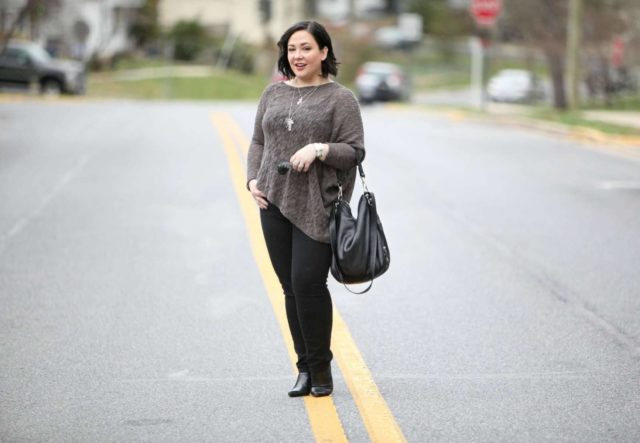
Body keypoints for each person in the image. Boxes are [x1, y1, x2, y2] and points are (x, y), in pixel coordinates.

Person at [246, 21, 365, 397]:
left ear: (324, 53)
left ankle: (321, 369)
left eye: (306, 48)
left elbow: (354, 151)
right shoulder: (272, 94)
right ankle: (303, 369)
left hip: (319, 204)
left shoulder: (340, 99)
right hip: (273, 202)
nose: (298, 56)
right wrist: (252, 180)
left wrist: (319, 149)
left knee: (308, 284)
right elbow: (257, 141)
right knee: (289, 288)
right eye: (292, 49)